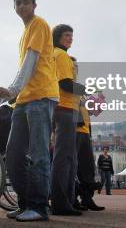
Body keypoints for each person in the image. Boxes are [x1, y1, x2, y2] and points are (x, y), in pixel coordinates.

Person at [0, 0, 59, 222]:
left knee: (38, 153)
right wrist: (11, 94)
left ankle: (39, 207)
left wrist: (12, 89)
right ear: (14, 8)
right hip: (24, 100)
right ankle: (25, 203)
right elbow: (25, 67)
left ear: (34, 5)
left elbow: (31, 62)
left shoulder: (39, 24)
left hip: (41, 97)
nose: (21, 6)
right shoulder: (25, 32)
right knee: (13, 153)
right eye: (17, 3)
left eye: (25, 2)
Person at [50, 24, 85, 216]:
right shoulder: (61, 55)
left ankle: (68, 201)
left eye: (72, 35)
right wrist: (87, 90)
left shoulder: (56, 54)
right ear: (57, 37)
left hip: (63, 109)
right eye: (66, 35)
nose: (70, 38)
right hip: (64, 109)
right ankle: (61, 203)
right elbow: (65, 84)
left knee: (67, 157)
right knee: (64, 158)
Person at [75, 95, 105, 211]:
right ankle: (72, 199)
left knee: (87, 167)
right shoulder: (74, 90)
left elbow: (93, 111)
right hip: (74, 130)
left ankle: (87, 199)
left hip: (85, 131)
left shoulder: (83, 96)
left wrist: (99, 103)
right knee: (73, 166)